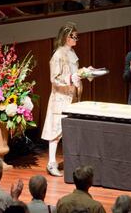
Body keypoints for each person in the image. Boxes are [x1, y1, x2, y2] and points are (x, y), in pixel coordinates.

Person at [41, 22, 83, 177]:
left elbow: (75, 73)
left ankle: (71, 161)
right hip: (60, 98)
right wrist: (71, 78)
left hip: (72, 96)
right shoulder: (58, 55)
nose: (76, 39)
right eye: (74, 36)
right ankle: (51, 162)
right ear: (66, 37)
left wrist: (82, 75)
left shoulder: (72, 53)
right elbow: (54, 78)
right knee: (56, 130)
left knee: (69, 130)